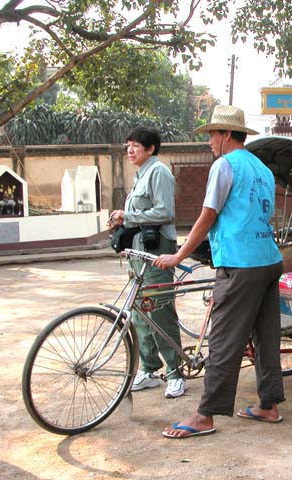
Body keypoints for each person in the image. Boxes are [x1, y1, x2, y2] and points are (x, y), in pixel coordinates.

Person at [154, 105, 285, 439]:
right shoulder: (262, 168)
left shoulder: (224, 165)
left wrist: (178, 255)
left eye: (212, 134)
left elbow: (208, 215)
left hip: (240, 263)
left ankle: (204, 415)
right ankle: (268, 405)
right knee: (265, 336)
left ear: (226, 134)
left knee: (225, 339)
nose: (209, 141)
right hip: (268, 259)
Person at [109, 126, 186, 398]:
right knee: (139, 310)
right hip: (138, 251)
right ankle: (149, 368)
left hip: (158, 250)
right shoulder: (140, 174)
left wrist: (128, 217)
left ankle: (176, 373)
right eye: (128, 145)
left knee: (160, 309)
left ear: (151, 149)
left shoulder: (159, 172)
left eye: (136, 146)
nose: (130, 150)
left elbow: (164, 211)